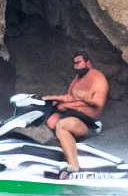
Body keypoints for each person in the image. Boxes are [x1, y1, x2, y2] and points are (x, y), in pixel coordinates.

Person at [43, 51, 109, 179]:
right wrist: (49, 98)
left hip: (87, 123)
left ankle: (74, 167)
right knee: (50, 120)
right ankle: (57, 158)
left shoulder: (98, 78)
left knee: (62, 125)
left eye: (79, 63)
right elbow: (69, 97)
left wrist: (85, 98)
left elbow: (98, 104)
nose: (76, 66)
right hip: (72, 116)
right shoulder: (77, 79)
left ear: (88, 63)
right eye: (75, 63)